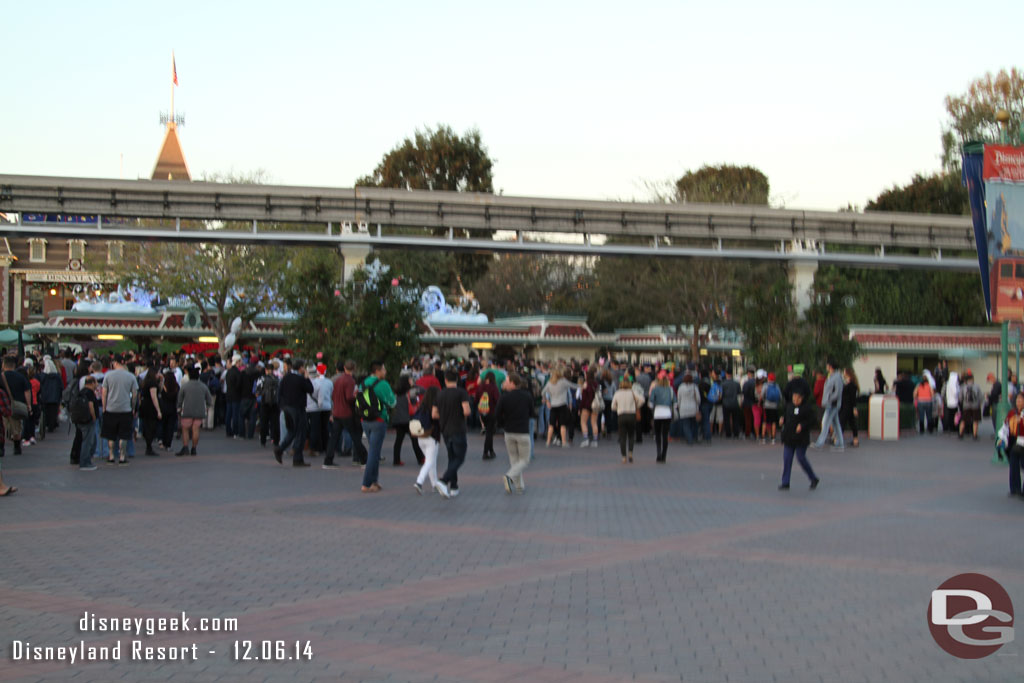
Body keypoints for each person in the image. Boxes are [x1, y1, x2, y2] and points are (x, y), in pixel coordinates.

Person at [494, 373, 536, 494]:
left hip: (509, 432)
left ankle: (519, 486)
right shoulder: (527, 396)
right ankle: (510, 476)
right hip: (522, 432)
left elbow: (497, 414)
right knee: (524, 460)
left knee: (514, 459)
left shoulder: (504, 397)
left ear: (513, 383)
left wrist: (503, 424)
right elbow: (532, 413)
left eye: (507, 381)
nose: (505, 383)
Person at [359, 360, 397, 493]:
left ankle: (374, 481)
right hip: (379, 420)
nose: (385, 372)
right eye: (384, 369)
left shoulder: (362, 383)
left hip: (364, 420)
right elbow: (392, 402)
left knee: (374, 452)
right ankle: (366, 483)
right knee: (374, 453)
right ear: (378, 371)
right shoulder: (383, 384)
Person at [435, 370, 471, 499]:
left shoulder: (439, 394)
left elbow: (434, 414)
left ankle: (454, 486)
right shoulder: (461, 393)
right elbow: (466, 411)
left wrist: (444, 415)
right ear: (457, 380)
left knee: (452, 457)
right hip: (458, 428)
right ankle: (444, 480)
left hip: (445, 429)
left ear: (445, 380)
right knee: (460, 458)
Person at [325, 359, 366, 468]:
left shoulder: (338, 380)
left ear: (344, 368)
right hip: (346, 412)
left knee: (334, 437)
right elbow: (349, 397)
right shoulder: (350, 381)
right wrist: (356, 396)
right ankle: (364, 459)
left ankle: (328, 460)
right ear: (354, 369)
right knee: (355, 436)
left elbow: (333, 395)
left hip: (337, 411)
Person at [274, 359, 314, 467]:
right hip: (297, 408)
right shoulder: (301, 379)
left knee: (292, 431)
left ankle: (281, 448)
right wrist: (307, 378)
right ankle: (297, 458)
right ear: (301, 367)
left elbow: (280, 392)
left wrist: (282, 406)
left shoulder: (286, 377)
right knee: (301, 432)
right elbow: (310, 389)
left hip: (287, 407)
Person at [777, 387, 820, 491]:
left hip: (801, 438)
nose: (795, 400)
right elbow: (786, 416)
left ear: (802, 398)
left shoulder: (807, 408)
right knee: (787, 459)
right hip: (789, 437)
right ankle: (785, 482)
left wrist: (803, 425)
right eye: (794, 398)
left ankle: (813, 478)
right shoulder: (789, 406)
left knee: (801, 458)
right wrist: (782, 419)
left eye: (798, 398)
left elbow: (813, 421)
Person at [101, 356, 137, 466]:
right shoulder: (131, 376)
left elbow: (104, 393)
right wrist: (133, 407)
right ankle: (122, 457)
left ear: (115, 363)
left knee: (110, 434)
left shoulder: (108, 375)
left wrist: (104, 407)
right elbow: (134, 394)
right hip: (125, 409)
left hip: (111, 409)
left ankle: (111, 456)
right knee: (124, 435)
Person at [176, 366, 213, 456]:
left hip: (187, 411)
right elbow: (209, 399)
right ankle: (194, 448)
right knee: (195, 429)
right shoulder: (203, 386)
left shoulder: (185, 386)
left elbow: (179, 399)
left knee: (185, 429)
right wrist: (207, 407)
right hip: (199, 411)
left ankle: (185, 447)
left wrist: (179, 408)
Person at [412, 386, 441, 495]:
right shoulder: (434, 407)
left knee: (431, 462)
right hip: (432, 437)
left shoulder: (422, 407)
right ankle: (419, 482)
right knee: (429, 461)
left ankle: (435, 484)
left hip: (420, 437)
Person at [391, 375, 424, 467]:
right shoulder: (411, 392)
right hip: (408, 419)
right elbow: (422, 390)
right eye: (410, 380)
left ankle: (396, 459)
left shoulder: (396, 393)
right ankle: (420, 458)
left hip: (398, 419)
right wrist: (414, 385)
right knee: (415, 440)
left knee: (398, 440)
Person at [812, 360, 844, 452]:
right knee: (836, 424)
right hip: (830, 403)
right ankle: (840, 443)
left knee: (825, 423)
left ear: (830, 366)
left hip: (832, 404)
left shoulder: (836, 377)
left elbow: (837, 392)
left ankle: (819, 443)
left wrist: (829, 398)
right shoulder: (832, 377)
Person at [541, 367, 577, 448]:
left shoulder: (550, 383)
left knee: (551, 425)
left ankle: (548, 442)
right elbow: (573, 386)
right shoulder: (563, 382)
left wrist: (547, 401)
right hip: (562, 405)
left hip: (553, 406)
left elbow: (543, 392)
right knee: (562, 425)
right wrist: (582, 385)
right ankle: (564, 442)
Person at [611, 376, 639, 464]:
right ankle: (630, 452)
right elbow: (641, 400)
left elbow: (613, 406)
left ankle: (623, 457)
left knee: (622, 437)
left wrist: (618, 408)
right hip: (631, 414)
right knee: (631, 435)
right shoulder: (633, 392)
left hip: (621, 415)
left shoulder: (618, 393)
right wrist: (636, 406)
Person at [1002, 391, 1024, 499]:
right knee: (1013, 465)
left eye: (1021, 400)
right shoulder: (1012, 413)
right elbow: (1005, 426)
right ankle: (1015, 489)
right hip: (1014, 442)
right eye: (1017, 400)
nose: (1018, 402)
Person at [76, 376, 100, 471]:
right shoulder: (89, 393)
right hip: (88, 420)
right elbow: (91, 406)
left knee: (89, 440)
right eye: (96, 382)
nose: (97, 385)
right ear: (92, 383)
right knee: (88, 441)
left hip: (81, 419)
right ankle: (85, 462)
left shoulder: (81, 391)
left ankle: (86, 461)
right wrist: (94, 417)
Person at [649, 371, 674, 462]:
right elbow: (674, 402)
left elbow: (651, 402)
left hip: (657, 413)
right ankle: (664, 455)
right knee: (665, 435)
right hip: (667, 413)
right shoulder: (670, 389)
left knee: (658, 434)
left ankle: (658, 453)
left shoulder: (655, 389)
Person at [475, 373, 500, 459]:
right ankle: (485, 452)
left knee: (489, 432)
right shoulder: (494, 387)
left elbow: (476, 399)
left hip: (482, 412)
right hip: (491, 412)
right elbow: (497, 400)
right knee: (489, 433)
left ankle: (491, 451)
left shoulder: (480, 387)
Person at [139, 363, 161, 456]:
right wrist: (158, 410)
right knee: (151, 426)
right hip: (150, 406)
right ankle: (149, 446)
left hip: (144, 404)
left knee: (146, 424)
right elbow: (154, 396)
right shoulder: (152, 383)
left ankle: (148, 444)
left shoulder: (145, 382)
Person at [675, 372, 701, 446]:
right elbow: (698, 399)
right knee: (694, 424)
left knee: (686, 425)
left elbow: (678, 398)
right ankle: (694, 437)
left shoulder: (680, 387)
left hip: (683, 408)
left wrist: (679, 406)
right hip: (693, 408)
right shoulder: (694, 387)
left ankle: (689, 439)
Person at [159, 370, 179, 452]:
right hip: (173, 408)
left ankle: (163, 442)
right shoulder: (176, 387)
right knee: (170, 427)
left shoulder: (163, 386)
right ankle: (168, 444)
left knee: (163, 425)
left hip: (163, 408)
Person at [959, 371, 983, 441]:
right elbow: (980, 397)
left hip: (966, 406)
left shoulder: (963, 386)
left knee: (963, 420)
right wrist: (979, 403)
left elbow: (960, 397)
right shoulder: (977, 386)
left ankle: (961, 434)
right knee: (975, 421)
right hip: (975, 406)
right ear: (972, 379)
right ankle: (975, 435)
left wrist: (962, 403)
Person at [839, 368, 860, 448]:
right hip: (846, 406)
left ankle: (839, 440)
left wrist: (854, 408)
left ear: (848, 373)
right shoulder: (848, 383)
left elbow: (853, 397)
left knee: (842, 422)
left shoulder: (851, 385)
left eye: (844, 371)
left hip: (847, 406)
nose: (843, 373)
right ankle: (855, 440)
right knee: (851, 423)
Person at [761, 372, 781, 445]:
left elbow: (762, 395)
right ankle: (773, 438)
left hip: (766, 405)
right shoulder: (777, 386)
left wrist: (764, 401)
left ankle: (763, 438)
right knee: (774, 422)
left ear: (768, 378)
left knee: (765, 421)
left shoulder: (765, 385)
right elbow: (780, 396)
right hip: (774, 406)